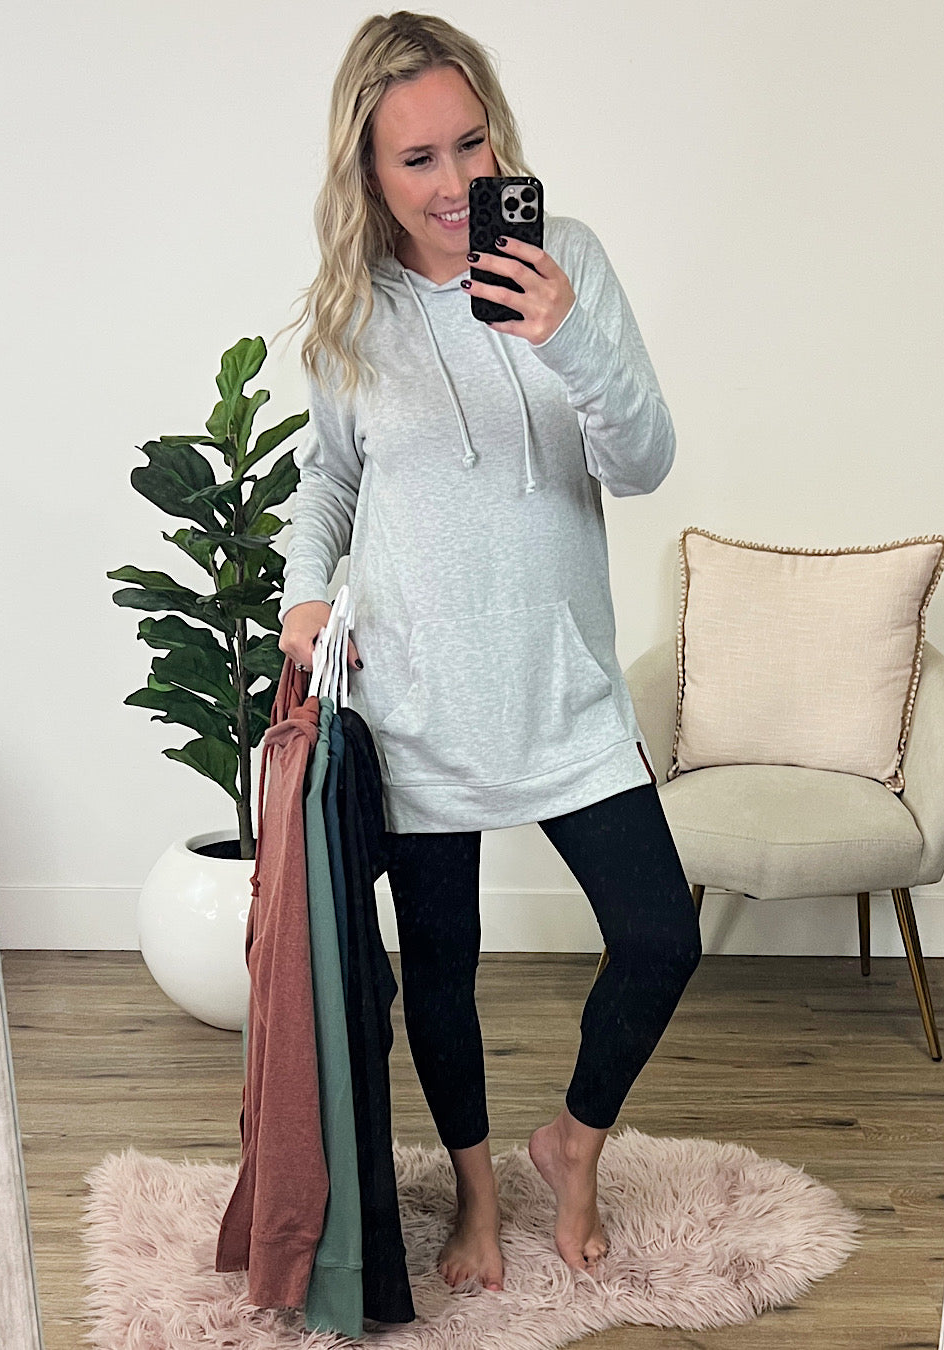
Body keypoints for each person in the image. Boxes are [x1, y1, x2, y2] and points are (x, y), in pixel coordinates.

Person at [276, 9, 702, 1298]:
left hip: (561, 681)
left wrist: (564, 335)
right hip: (415, 689)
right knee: (443, 973)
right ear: (368, 173)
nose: (456, 181)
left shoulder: (566, 261)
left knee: (660, 935)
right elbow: (328, 481)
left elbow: (644, 459)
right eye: (418, 158)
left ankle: (572, 1141)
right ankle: (473, 1189)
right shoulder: (353, 312)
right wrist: (305, 594)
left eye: (472, 144)